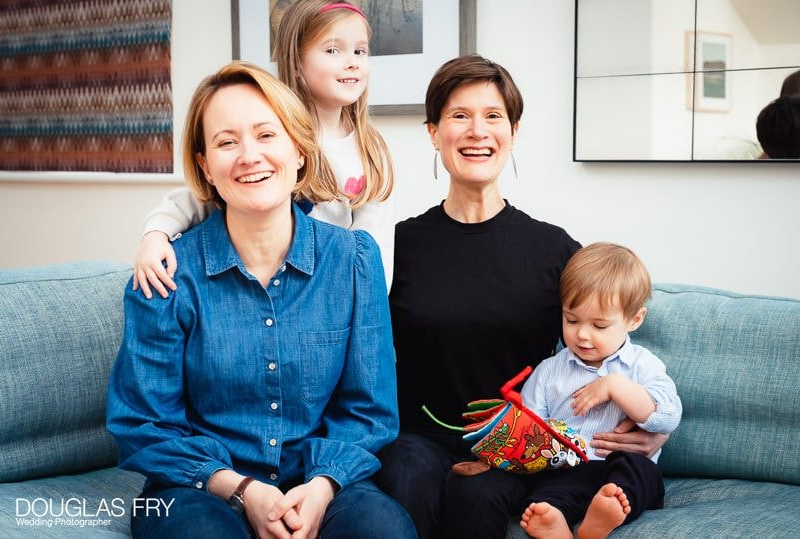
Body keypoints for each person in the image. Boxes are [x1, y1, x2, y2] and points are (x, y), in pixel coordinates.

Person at [106, 60, 416, 539]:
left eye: (267, 135)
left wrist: (322, 487)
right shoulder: (166, 275)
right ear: (206, 167)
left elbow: (370, 410)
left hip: (319, 479)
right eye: (227, 142)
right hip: (198, 487)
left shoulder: (353, 261)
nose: (249, 155)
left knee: (383, 530)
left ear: (298, 150)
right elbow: (143, 422)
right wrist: (242, 490)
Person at [376, 54, 669, 539]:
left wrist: (651, 429)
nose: (477, 131)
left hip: (522, 448)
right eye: (459, 116)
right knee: (405, 478)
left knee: (474, 501)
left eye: (493, 116)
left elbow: (612, 346)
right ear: (433, 132)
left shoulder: (555, 251)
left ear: (513, 132)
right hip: (420, 438)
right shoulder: (396, 246)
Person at [132, 0, 395, 299]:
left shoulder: (370, 149)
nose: (352, 62)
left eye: (360, 51)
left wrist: (367, 300)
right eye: (333, 50)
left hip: (330, 296)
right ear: (296, 63)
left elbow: (376, 243)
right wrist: (155, 235)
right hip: (263, 287)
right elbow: (198, 198)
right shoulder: (271, 139)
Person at [518, 242, 682, 539]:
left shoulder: (642, 365)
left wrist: (615, 386)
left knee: (639, 471)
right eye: (571, 320)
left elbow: (667, 416)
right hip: (567, 468)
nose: (582, 334)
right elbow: (528, 427)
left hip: (621, 468)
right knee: (546, 495)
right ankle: (555, 522)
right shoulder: (549, 371)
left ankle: (603, 514)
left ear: (634, 320)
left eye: (599, 325)